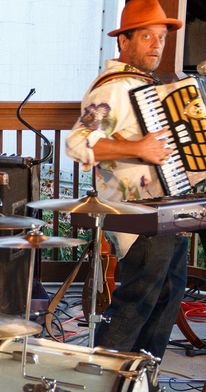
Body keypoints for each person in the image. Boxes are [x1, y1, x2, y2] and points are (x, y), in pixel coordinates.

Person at [66, 0, 186, 359]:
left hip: (164, 211)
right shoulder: (113, 89)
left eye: (161, 37)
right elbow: (79, 143)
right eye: (147, 36)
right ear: (124, 41)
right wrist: (139, 148)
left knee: (164, 301)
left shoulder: (146, 86)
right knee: (134, 307)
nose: (156, 45)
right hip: (135, 214)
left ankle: (138, 391)